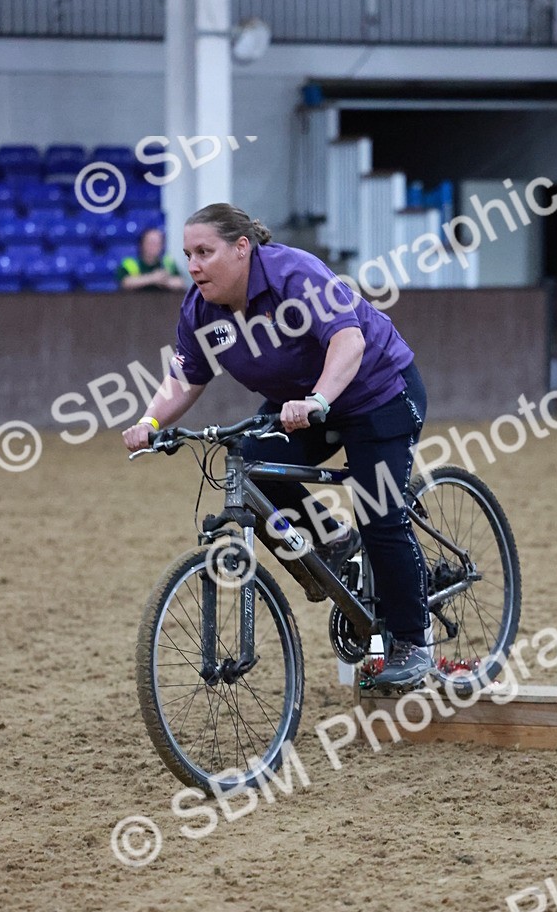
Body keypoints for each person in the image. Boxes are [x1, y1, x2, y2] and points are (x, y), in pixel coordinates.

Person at [121, 203, 432, 688]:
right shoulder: (201, 308)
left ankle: (413, 641)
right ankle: (332, 540)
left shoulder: (295, 274)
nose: (194, 265)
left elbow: (347, 342)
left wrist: (318, 399)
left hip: (377, 393)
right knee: (252, 464)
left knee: (379, 514)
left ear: (241, 248)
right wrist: (150, 419)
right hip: (303, 402)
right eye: (188, 254)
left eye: (205, 251)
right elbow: (184, 378)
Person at [117, 227, 185, 292]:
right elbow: (125, 283)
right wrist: (152, 278)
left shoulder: (168, 262)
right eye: (151, 243)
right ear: (142, 244)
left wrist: (165, 281)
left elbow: (180, 282)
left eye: (158, 243)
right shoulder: (130, 263)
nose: (154, 246)